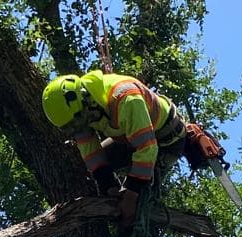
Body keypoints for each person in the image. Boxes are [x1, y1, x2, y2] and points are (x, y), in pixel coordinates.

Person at [41, 69, 224, 226]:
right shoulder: (80, 111)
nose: (79, 129)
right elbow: (91, 152)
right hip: (130, 140)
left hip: (165, 142)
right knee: (92, 176)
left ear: (86, 101)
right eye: (72, 127)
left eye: (78, 123)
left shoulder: (126, 98)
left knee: (139, 209)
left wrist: (130, 196)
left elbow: (147, 148)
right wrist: (109, 186)